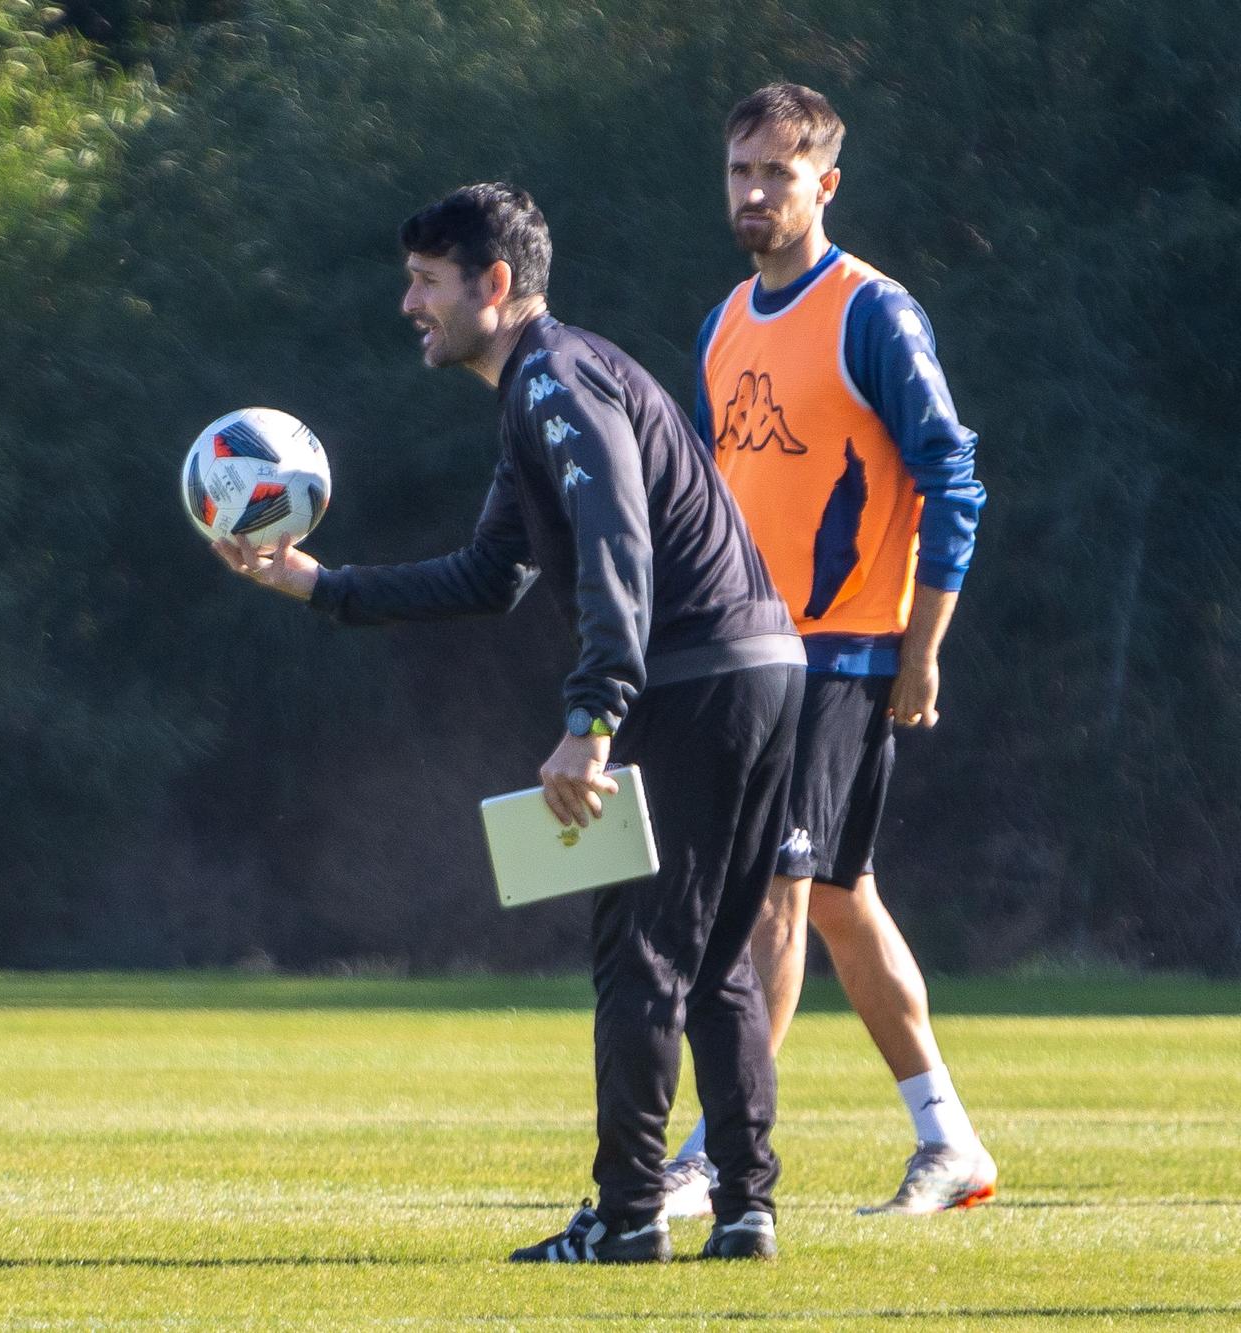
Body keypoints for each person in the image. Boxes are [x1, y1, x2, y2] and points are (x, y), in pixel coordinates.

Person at [215, 183, 805, 1262]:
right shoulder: (546, 386)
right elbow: (492, 575)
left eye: (426, 281)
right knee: (712, 956)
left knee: (640, 954)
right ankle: (744, 1209)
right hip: (760, 666)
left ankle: (628, 1216)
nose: (408, 304)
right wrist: (320, 585)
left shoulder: (555, 383)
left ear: (494, 285)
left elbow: (619, 542)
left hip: (691, 678)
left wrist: (591, 716)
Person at [659, 83, 994, 1218]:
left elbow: (952, 477)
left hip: (840, 653)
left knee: (776, 898)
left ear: (824, 185)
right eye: (737, 172)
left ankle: (712, 1150)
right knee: (842, 897)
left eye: (775, 174)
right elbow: (714, 506)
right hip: (746, 659)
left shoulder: (870, 313)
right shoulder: (720, 324)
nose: (752, 193)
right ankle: (948, 1143)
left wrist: (922, 645)